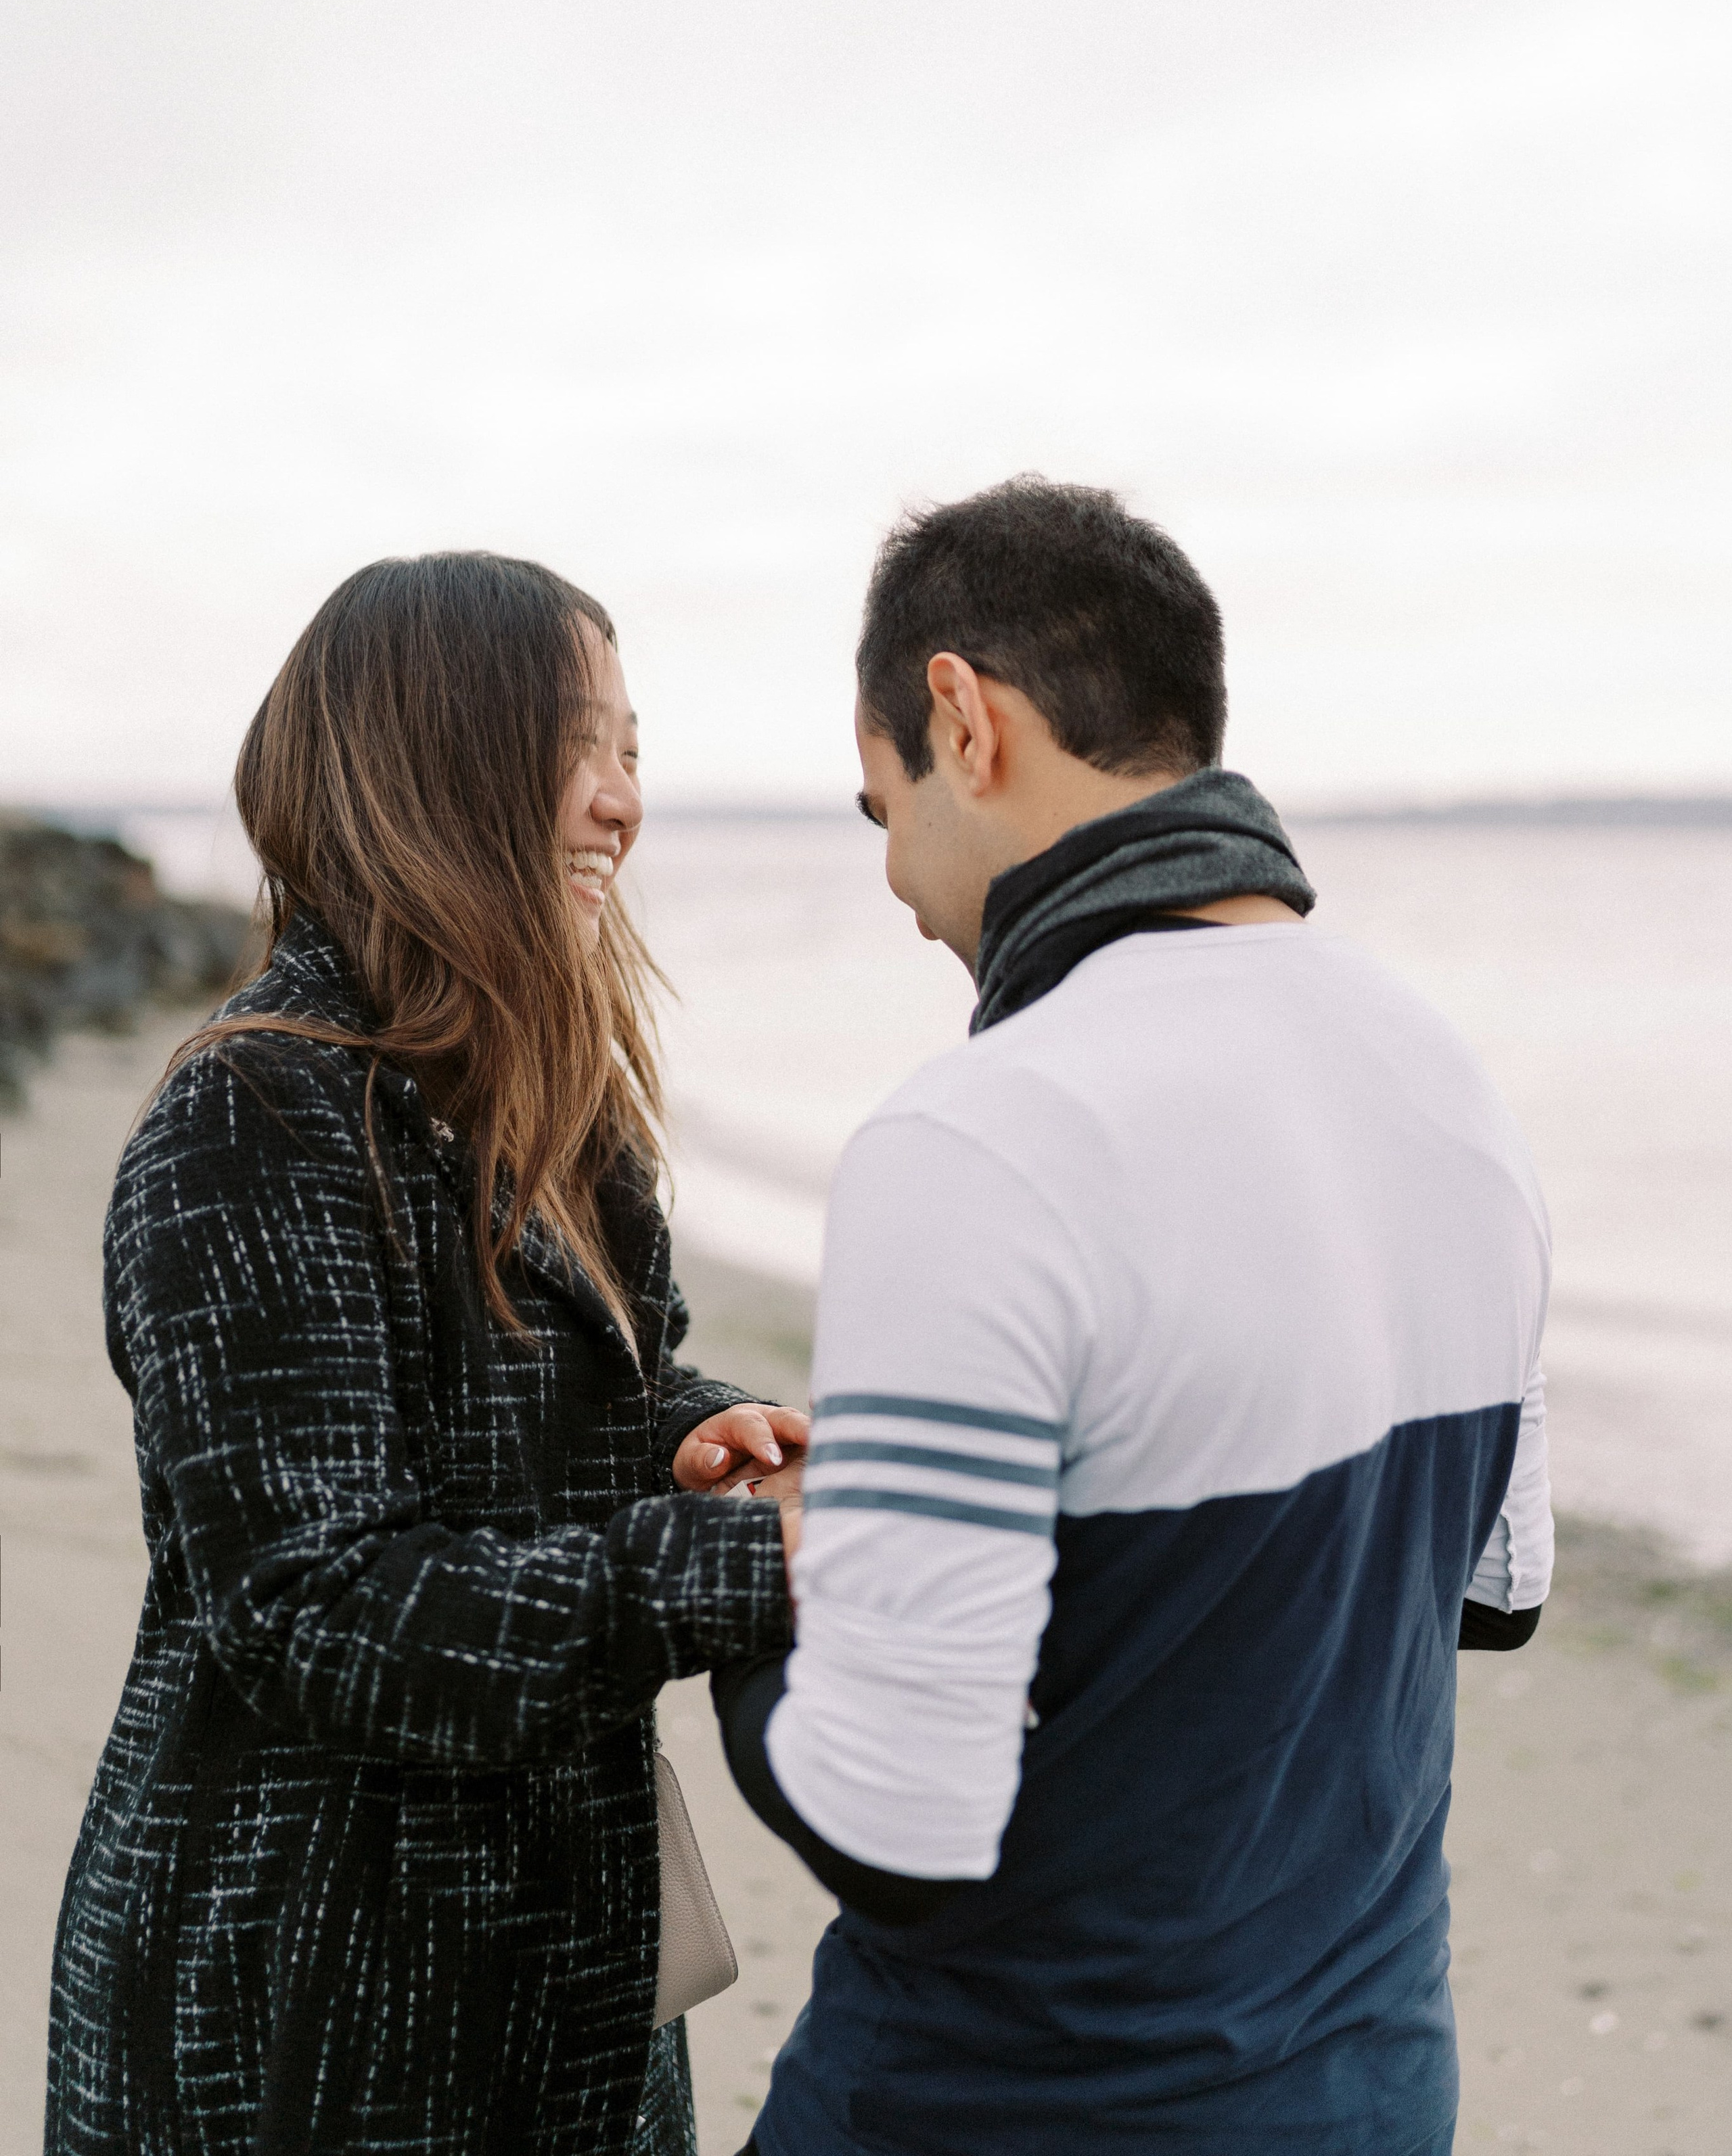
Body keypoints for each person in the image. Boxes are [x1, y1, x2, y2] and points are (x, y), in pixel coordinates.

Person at [716, 478, 1552, 2156]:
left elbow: (896, 1832)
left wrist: (775, 1566)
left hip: (1018, 2111)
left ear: (961, 719)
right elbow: (1491, 1600)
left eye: (880, 806)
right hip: (1368, 2095)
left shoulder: (978, 1142)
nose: (897, 882)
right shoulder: (1446, 1083)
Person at [47, 552, 806, 2156]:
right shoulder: (253, 1119)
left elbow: (563, 1390)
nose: (622, 803)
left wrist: (700, 1433)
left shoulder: (552, 1102)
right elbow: (317, 1609)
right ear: (434, 762)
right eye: (579, 747)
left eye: (632, 753)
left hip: (563, 1981)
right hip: (308, 2020)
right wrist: (745, 1570)